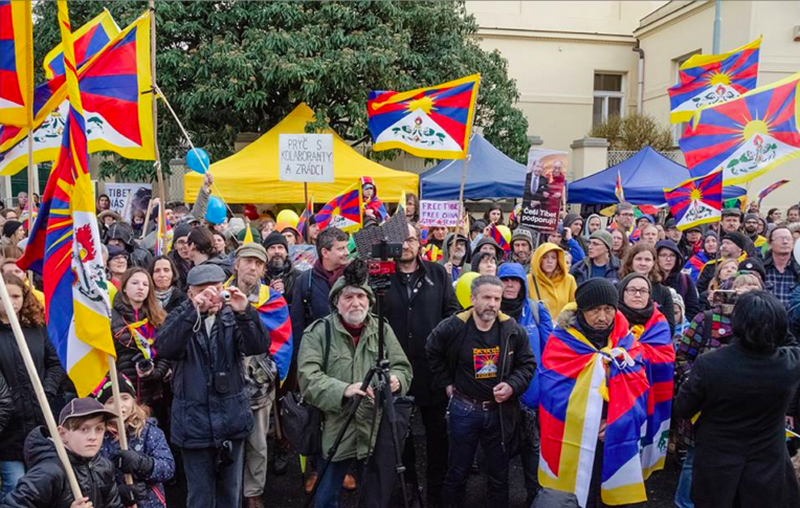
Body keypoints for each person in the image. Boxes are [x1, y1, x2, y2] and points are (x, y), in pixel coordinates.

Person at [297, 260, 413, 508]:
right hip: (334, 429)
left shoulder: (381, 329)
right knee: (326, 497)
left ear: (370, 301)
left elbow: (403, 368)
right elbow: (307, 377)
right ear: (336, 302)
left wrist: (396, 381)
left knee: (375, 497)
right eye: (348, 297)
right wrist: (344, 390)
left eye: (361, 296)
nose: (355, 302)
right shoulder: (319, 332)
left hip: (373, 428)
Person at [157, 264, 271, 508]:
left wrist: (245, 313)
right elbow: (165, 348)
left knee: (231, 494)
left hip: (231, 418)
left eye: (217, 289)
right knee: (200, 496)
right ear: (190, 293)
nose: (212, 296)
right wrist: (193, 312)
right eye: (204, 291)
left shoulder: (232, 315)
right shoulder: (180, 315)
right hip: (194, 424)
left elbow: (259, 345)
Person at [675, 291, 800, 508]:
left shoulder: (710, 364)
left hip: (717, 465)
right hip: (767, 467)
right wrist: (772, 320)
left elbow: (683, 408)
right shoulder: (789, 364)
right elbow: (789, 340)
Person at [537, 279, 649, 508]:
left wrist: (615, 423)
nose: (602, 317)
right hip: (572, 436)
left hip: (612, 433)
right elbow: (552, 394)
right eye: (595, 310)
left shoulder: (627, 343)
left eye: (608, 309)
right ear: (581, 311)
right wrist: (588, 424)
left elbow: (639, 389)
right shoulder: (561, 342)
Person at [426, 275, 536, 508]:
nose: (492, 304)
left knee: (499, 474)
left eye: (496, 298)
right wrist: (446, 381)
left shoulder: (512, 329)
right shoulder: (454, 326)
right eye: (486, 297)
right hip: (464, 409)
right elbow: (432, 350)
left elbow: (527, 364)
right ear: (473, 298)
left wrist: (512, 386)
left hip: (499, 412)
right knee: (457, 472)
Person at [673, 273, 764, 508]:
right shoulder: (707, 319)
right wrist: (694, 382)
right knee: (694, 461)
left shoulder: (763, 325)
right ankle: (684, 504)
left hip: (742, 410)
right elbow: (682, 355)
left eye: (754, 288)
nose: (748, 292)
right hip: (703, 405)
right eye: (741, 289)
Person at [385, 223, 460, 507]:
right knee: (400, 437)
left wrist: (440, 339)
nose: (404, 245)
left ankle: (436, 492)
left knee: (438, 436)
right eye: (398, 240)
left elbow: (452, 312)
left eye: (410, 239)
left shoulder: (438, 273)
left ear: (420, 243)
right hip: (395, 371)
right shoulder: (380, 275)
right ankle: (409, 491)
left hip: (432, 370)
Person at [225, 243, 290, 508]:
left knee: (258, 441)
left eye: (258, 263)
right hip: (225, 381)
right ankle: (229, 489)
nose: (253, 267)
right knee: (227, 440)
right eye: (248, 261)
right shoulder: (219, 294)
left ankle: (253, 491)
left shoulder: (273, 300)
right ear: (236, 264)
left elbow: (283, 339)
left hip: (258, 383)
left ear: (264, 269)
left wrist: (270, 370)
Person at [0, 275, 64, 497]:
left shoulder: (36, 328)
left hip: (41, 418)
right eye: (3, 297)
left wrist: (46, 392)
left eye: (16, 296)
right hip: (9, 427)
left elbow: (54, 364)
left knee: (44, 486)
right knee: (15, 486)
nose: (10, 301)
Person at [1, 397, 122, 508]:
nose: (93, 437)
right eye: (84, 429)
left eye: (99, 429)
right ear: (62, 434)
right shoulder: (48, 472)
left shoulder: (104, 466)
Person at [498, 263, 553, 505]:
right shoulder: (489, 310)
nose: (510, 285)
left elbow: (552, 351)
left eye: (515, 280)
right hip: (499, 396)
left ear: (523, 284)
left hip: (532, 395)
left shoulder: (536, 310)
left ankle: (534, 498)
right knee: (499, 454)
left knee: (532, 453)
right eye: (505, 279)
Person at [615, 274, 675, 479]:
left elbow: (666, 356)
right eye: (632, 290)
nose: (638, 295)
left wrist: (632, 352)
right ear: (622, 292)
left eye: (643, 290)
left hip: (649, 394)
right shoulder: (611, 318)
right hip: (617, 395)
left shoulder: (659, 321)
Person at [95, 375, 175, 508]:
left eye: (125, 398)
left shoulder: (148, 430)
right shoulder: (98, 437)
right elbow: (93, 478)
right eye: (111, 401)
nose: (119, 405)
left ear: (134, 400)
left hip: (151, 503)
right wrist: (117, 492)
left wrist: (142, 463)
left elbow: (168, 468)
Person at [110, 268, 169, 412]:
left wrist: (153, 374)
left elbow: (165, 354)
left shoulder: (158, 317)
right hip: (121, 392)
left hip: (153, 393)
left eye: (145, 284)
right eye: (135, 283)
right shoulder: (111, 317)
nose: (140, 287)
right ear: (124, 287)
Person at [619, 243, 676, 334]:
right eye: (638, 259)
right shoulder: (618, 288)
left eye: (647, 260)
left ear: (653, 263)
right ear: (631, 261)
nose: (643, 263)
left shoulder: (664, 292)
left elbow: (670, 327)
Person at [657, 240, 700, 322]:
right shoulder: (650, 280)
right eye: (663, 255)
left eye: (672, 255)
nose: (668, 259)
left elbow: (693, 309)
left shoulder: (685, 279)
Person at [529, 242, 576, 316]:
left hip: (561, 325)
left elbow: (575, 303)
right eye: (545, 257)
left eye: (553, 258)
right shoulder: (528, 280)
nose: (549, 261)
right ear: (539, 259)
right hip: (538, 326)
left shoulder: (569, 280)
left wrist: (565, 311)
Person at [763, 226, 800, 308]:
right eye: (780, 239)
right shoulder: (762, 268)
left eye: (788, 238)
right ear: (770, 243)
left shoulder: (798, 269)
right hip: (766, 318)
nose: (785, 242)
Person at [262, 231, 298, 299]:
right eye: (272, 248)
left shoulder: (298, 277)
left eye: (280, 247)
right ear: (266, 253)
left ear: (286, 252)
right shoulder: (259, 277)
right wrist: (268, 293)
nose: (277, 251)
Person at [168, 223, 194, 291]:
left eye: (189, 242)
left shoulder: (201, 262)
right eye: (181, 242)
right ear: (175, 245)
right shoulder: (169, 265)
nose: (185, 246)